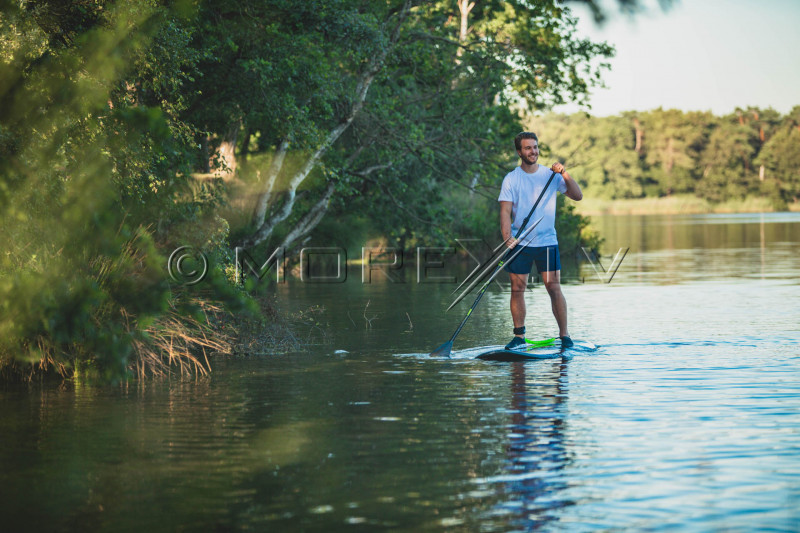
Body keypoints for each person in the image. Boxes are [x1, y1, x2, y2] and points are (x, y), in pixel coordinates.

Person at [498, 131, 583, 350]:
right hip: (521, 243)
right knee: (517, 289)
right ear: (519, 152)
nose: (533, 151)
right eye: (528, 148)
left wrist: (564, 173)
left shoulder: (551, 175)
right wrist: (507, 238)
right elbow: (505, 212)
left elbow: (577, 195)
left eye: (535, 147)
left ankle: (565, 336)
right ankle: (519, 337)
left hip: (547, 242)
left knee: (553, 287)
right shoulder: (511, 179)